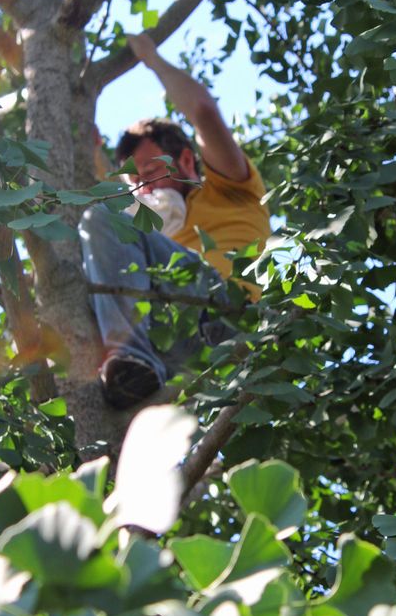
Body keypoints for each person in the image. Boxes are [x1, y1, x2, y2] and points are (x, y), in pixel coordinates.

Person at [80, 34, 271, 409]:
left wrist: (151, 58)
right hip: (172, 344)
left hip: (227, 316)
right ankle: (134, 375)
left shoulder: (228, 188)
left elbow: (203, 111)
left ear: (185, 161)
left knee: (104, 219)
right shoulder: (151, 223)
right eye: (135, 182)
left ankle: (131, 360)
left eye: (151, 172)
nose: (144, 188)